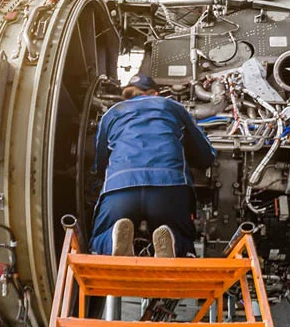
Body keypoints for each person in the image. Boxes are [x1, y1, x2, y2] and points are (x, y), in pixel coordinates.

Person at [90, 74, 216, 258]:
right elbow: (206, 156)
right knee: (183, 239)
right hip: (168, 188)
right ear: (155, 93)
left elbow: (100, 163)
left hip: (121, 187)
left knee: (99, 238)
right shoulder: (172, 107)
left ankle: (113, 238)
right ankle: (172, 240)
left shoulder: (112, 113)